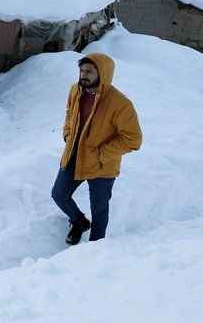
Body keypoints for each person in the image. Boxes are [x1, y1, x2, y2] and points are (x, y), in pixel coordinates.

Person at [52, 53, 142, 244]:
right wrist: (68, 134)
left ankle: (96, 247)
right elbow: (70, 113)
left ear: (103, 73)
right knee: (59, 194)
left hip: (102, 165)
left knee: (99, 208)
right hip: (74, 155)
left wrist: (101, 153)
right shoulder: (75, 90)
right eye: (82, 71)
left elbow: (133, 139)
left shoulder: (120, 104)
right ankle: (79, 222)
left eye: (89, 72)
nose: (83, 75)